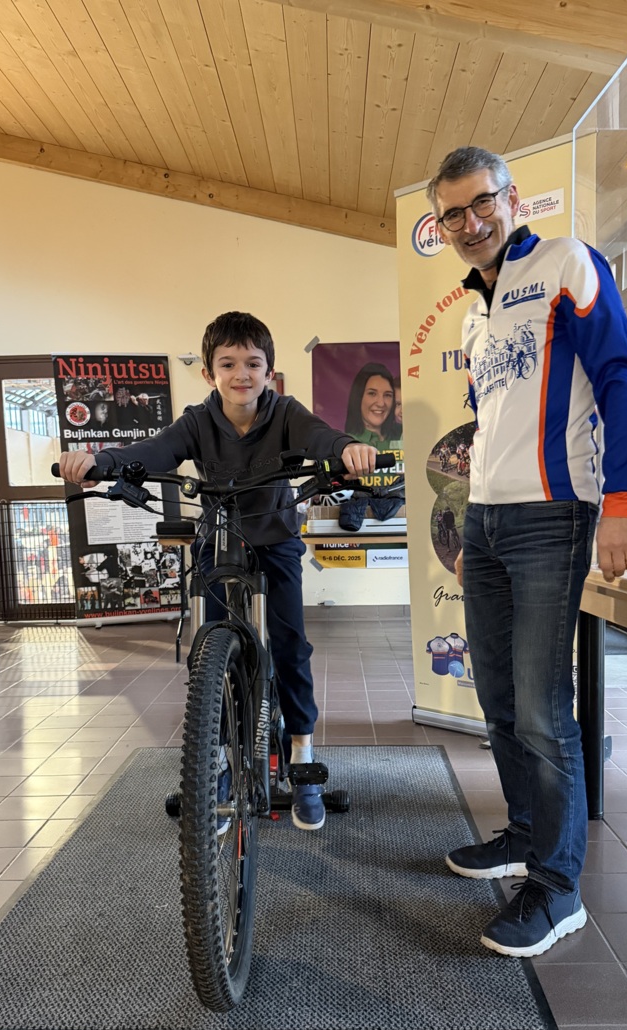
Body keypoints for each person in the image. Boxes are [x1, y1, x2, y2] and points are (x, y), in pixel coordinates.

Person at [429, 146, 627, 957]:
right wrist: (470, 522)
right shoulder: (472, 313)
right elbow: (491, 424)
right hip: (486, 523)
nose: (470, 222)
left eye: (481, 201)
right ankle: (524, 834)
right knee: (497, 698)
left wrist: (621, 501)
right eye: (453, 213)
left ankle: (558, 890)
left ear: (512, 198)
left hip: (555, 515)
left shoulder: (565, 264)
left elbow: (620, 379)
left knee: (545, 711)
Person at [59, 311, 377, 832]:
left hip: (275, 539)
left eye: (252, 363)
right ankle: (224, 758)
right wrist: (102, 460)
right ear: (209, 373)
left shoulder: (285, 413)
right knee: (208, 648)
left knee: (290, 643)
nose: (241, 374)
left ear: (269, 371)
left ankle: (301, 753)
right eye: (228, 364)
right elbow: (155, 450)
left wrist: (347, 449)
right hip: (217, 538)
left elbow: (321, 437)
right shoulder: (198, 421)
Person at [338, 362, 403, 532]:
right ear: (358, 397)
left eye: (388, 395)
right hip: (359, 534)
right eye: (372, 393)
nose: (381, 403)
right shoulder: (343, 443)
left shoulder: (407, 434)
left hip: (405, 531)